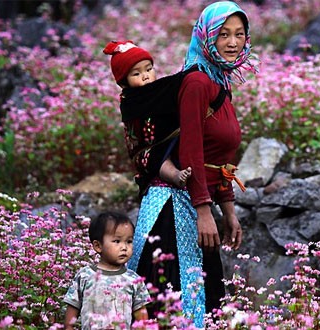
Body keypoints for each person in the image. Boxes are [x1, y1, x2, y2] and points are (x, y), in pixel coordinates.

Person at [125, 1, 258, 326]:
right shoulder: (197, 83)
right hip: (174, 207)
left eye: (239, 34)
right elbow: (192, 149)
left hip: (195, 199)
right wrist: (203, 211)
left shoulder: (219, 82)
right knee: (179, 302)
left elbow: (218, 156)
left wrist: (227, 209)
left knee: (202, 298)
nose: (232, 42)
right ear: (206, 36)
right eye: (223, 34)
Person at [102, 40, 192, 191]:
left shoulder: (157, 89)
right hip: (147, 148)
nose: (145, 76)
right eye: (136, 73)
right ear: (124, 82)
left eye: (149, 69)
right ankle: (176, 176)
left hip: (170, 139)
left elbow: (174, 83)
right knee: (158, 159)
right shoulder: (131, 100)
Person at [64, 211, 150, 330]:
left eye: (129, 241)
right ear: (98, 246)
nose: (124, 247)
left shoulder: (134, 279)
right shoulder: (85, 276)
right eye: (117, 241)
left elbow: (142, 320)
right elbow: (71, 316)